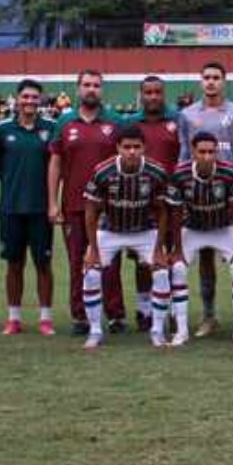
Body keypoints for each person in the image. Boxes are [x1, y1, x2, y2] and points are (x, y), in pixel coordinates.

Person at [48, 70, 125, 336]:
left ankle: (115, 315)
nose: (91, 89)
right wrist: (53, 203)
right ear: (78, 89)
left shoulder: (115, 122)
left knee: (111, 263)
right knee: (77, 262)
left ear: (101, 90)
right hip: (74, 206)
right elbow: (55, 163)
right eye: (86, 85)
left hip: (110, 208)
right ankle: (80, 317)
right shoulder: (65, 122)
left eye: (96, 85)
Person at [80, 126, 171, 350]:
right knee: (91, 273)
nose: (131, 152)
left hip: (144, 230)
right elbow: (90, 211)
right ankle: (95, 331)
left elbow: (162, 212)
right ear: (118, 148)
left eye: (136, 147)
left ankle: (157, 331)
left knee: (161, 273)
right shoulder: (103, 171)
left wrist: (159, 248)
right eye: (127, 147)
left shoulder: (156, 171)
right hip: (110, 230)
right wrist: (93, 248)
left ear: (144, 148)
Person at [177, 61, 233, 338]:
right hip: (198, 197)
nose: (211, 82)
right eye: (206, 77)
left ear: (224, 81)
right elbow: (185, 154)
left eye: (216, 77)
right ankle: (209, 316)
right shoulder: (187, 115)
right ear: (200, 81)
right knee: (205, 258)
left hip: (230, 196)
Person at [167, 132, 233, 348]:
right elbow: (175, 213)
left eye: (211, 152)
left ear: (217, 152)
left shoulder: (229, 171)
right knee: (178, 269)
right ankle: (181, 332)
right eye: (201, 152)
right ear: (193, 152)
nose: (206, 156)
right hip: (193, 229)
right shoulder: (181, 173)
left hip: (223, 227)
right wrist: (177, 248)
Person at [0, 79, 56, 336]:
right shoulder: (2, 130)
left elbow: (56, 167)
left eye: (34, 97)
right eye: (25, 97)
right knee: (14, 264)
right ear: (16, 99)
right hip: (11, 209)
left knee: (43, 264)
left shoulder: (50, 128)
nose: (29, 101)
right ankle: (14, 318)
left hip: (41, 210)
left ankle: (45, 318)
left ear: (40, 100)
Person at [127, 75, 181, 331]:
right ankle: (144, 308)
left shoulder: (176, 122)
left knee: (168, 257)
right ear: (141, 95)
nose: (153, 97)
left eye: (157, 92)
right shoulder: (131, 124)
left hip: (171, 202)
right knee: (142, 259)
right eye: (147, 92)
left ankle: (167, 307)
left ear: (163, 94)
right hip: (139, 202)